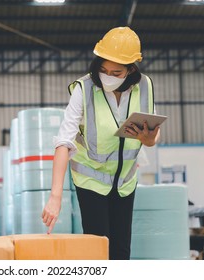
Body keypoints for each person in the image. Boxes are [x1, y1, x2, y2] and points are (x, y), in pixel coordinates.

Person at [41, 26, 160, 260]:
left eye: (116, 72)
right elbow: (63, 142)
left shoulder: (144, 86)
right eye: (103, 69)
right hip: (91, 180)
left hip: (125, 181)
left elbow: (152, 137)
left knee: (121, 252)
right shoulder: (83, 89)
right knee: (98, 250)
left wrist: (149, 140)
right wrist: (55, 197)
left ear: (131, 69)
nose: (108, 76)